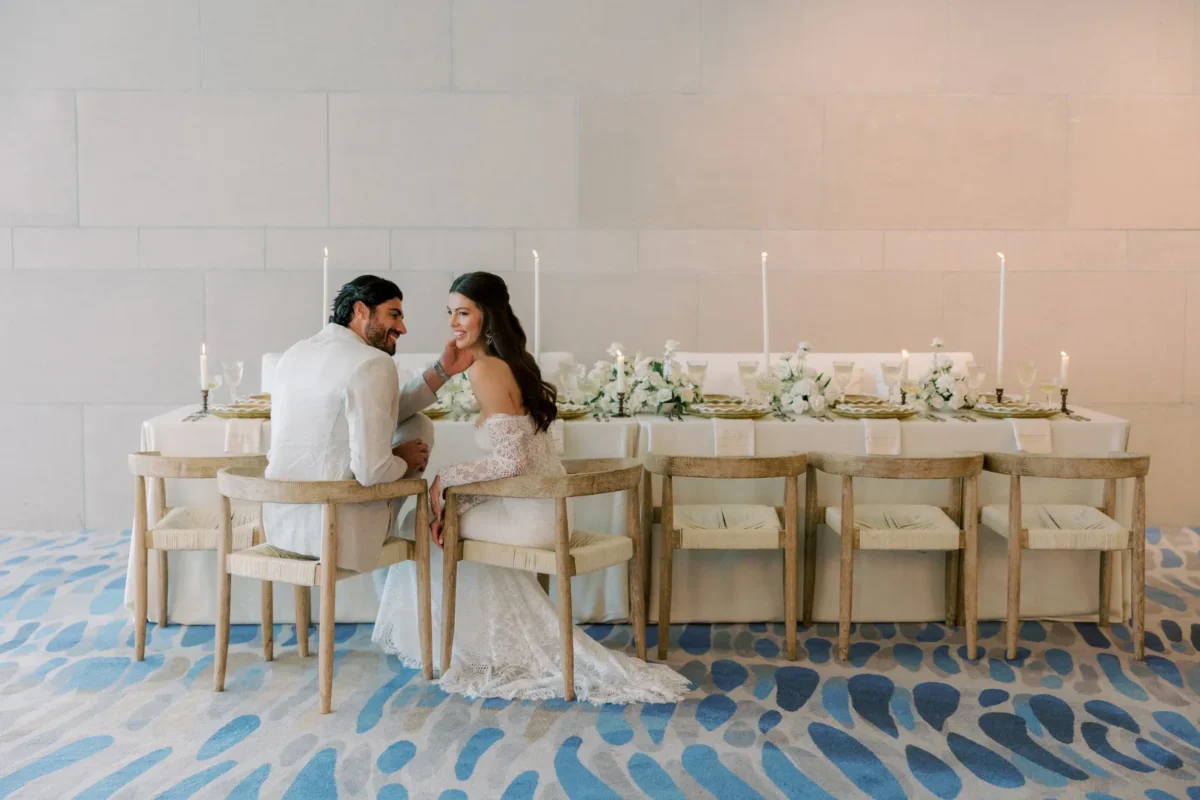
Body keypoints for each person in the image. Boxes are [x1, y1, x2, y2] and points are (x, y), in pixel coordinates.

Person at [373, 271, 689, 703]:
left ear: (488, 316)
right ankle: (476, 639)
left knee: (417, 524)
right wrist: (452, 503)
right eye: (450, 314)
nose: (454, 323)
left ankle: (462, 645)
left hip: (536, 514)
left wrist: (445, 481)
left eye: (463, 313)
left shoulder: (486, 369)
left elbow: (512, 462)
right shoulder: (510, 363)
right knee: (435, 518)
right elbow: (517, 469)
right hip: (547, 506)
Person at [263, 275, 472, 572]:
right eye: (394, 314)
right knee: (420, 428)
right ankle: (406, 563)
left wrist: (442, 370)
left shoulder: (294, 353)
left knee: (415, 420)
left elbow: (382, 413)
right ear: (360, 310)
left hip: (283, 530)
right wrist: (401, 458)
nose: (403, 328)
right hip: (338, 535)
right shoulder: (373, 362)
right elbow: (372, 471)